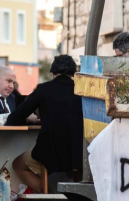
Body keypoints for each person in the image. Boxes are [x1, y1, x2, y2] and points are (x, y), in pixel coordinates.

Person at [6, 55, 84, 193]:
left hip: (50, 152)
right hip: (79, 152)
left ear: (53, 73)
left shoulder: (44, 89)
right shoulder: (82, 90)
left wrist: (29, 119)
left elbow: (13, 119)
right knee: (76, 171)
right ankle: (73, 200)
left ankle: (48, 195)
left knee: (18, 164)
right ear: (73, 73)